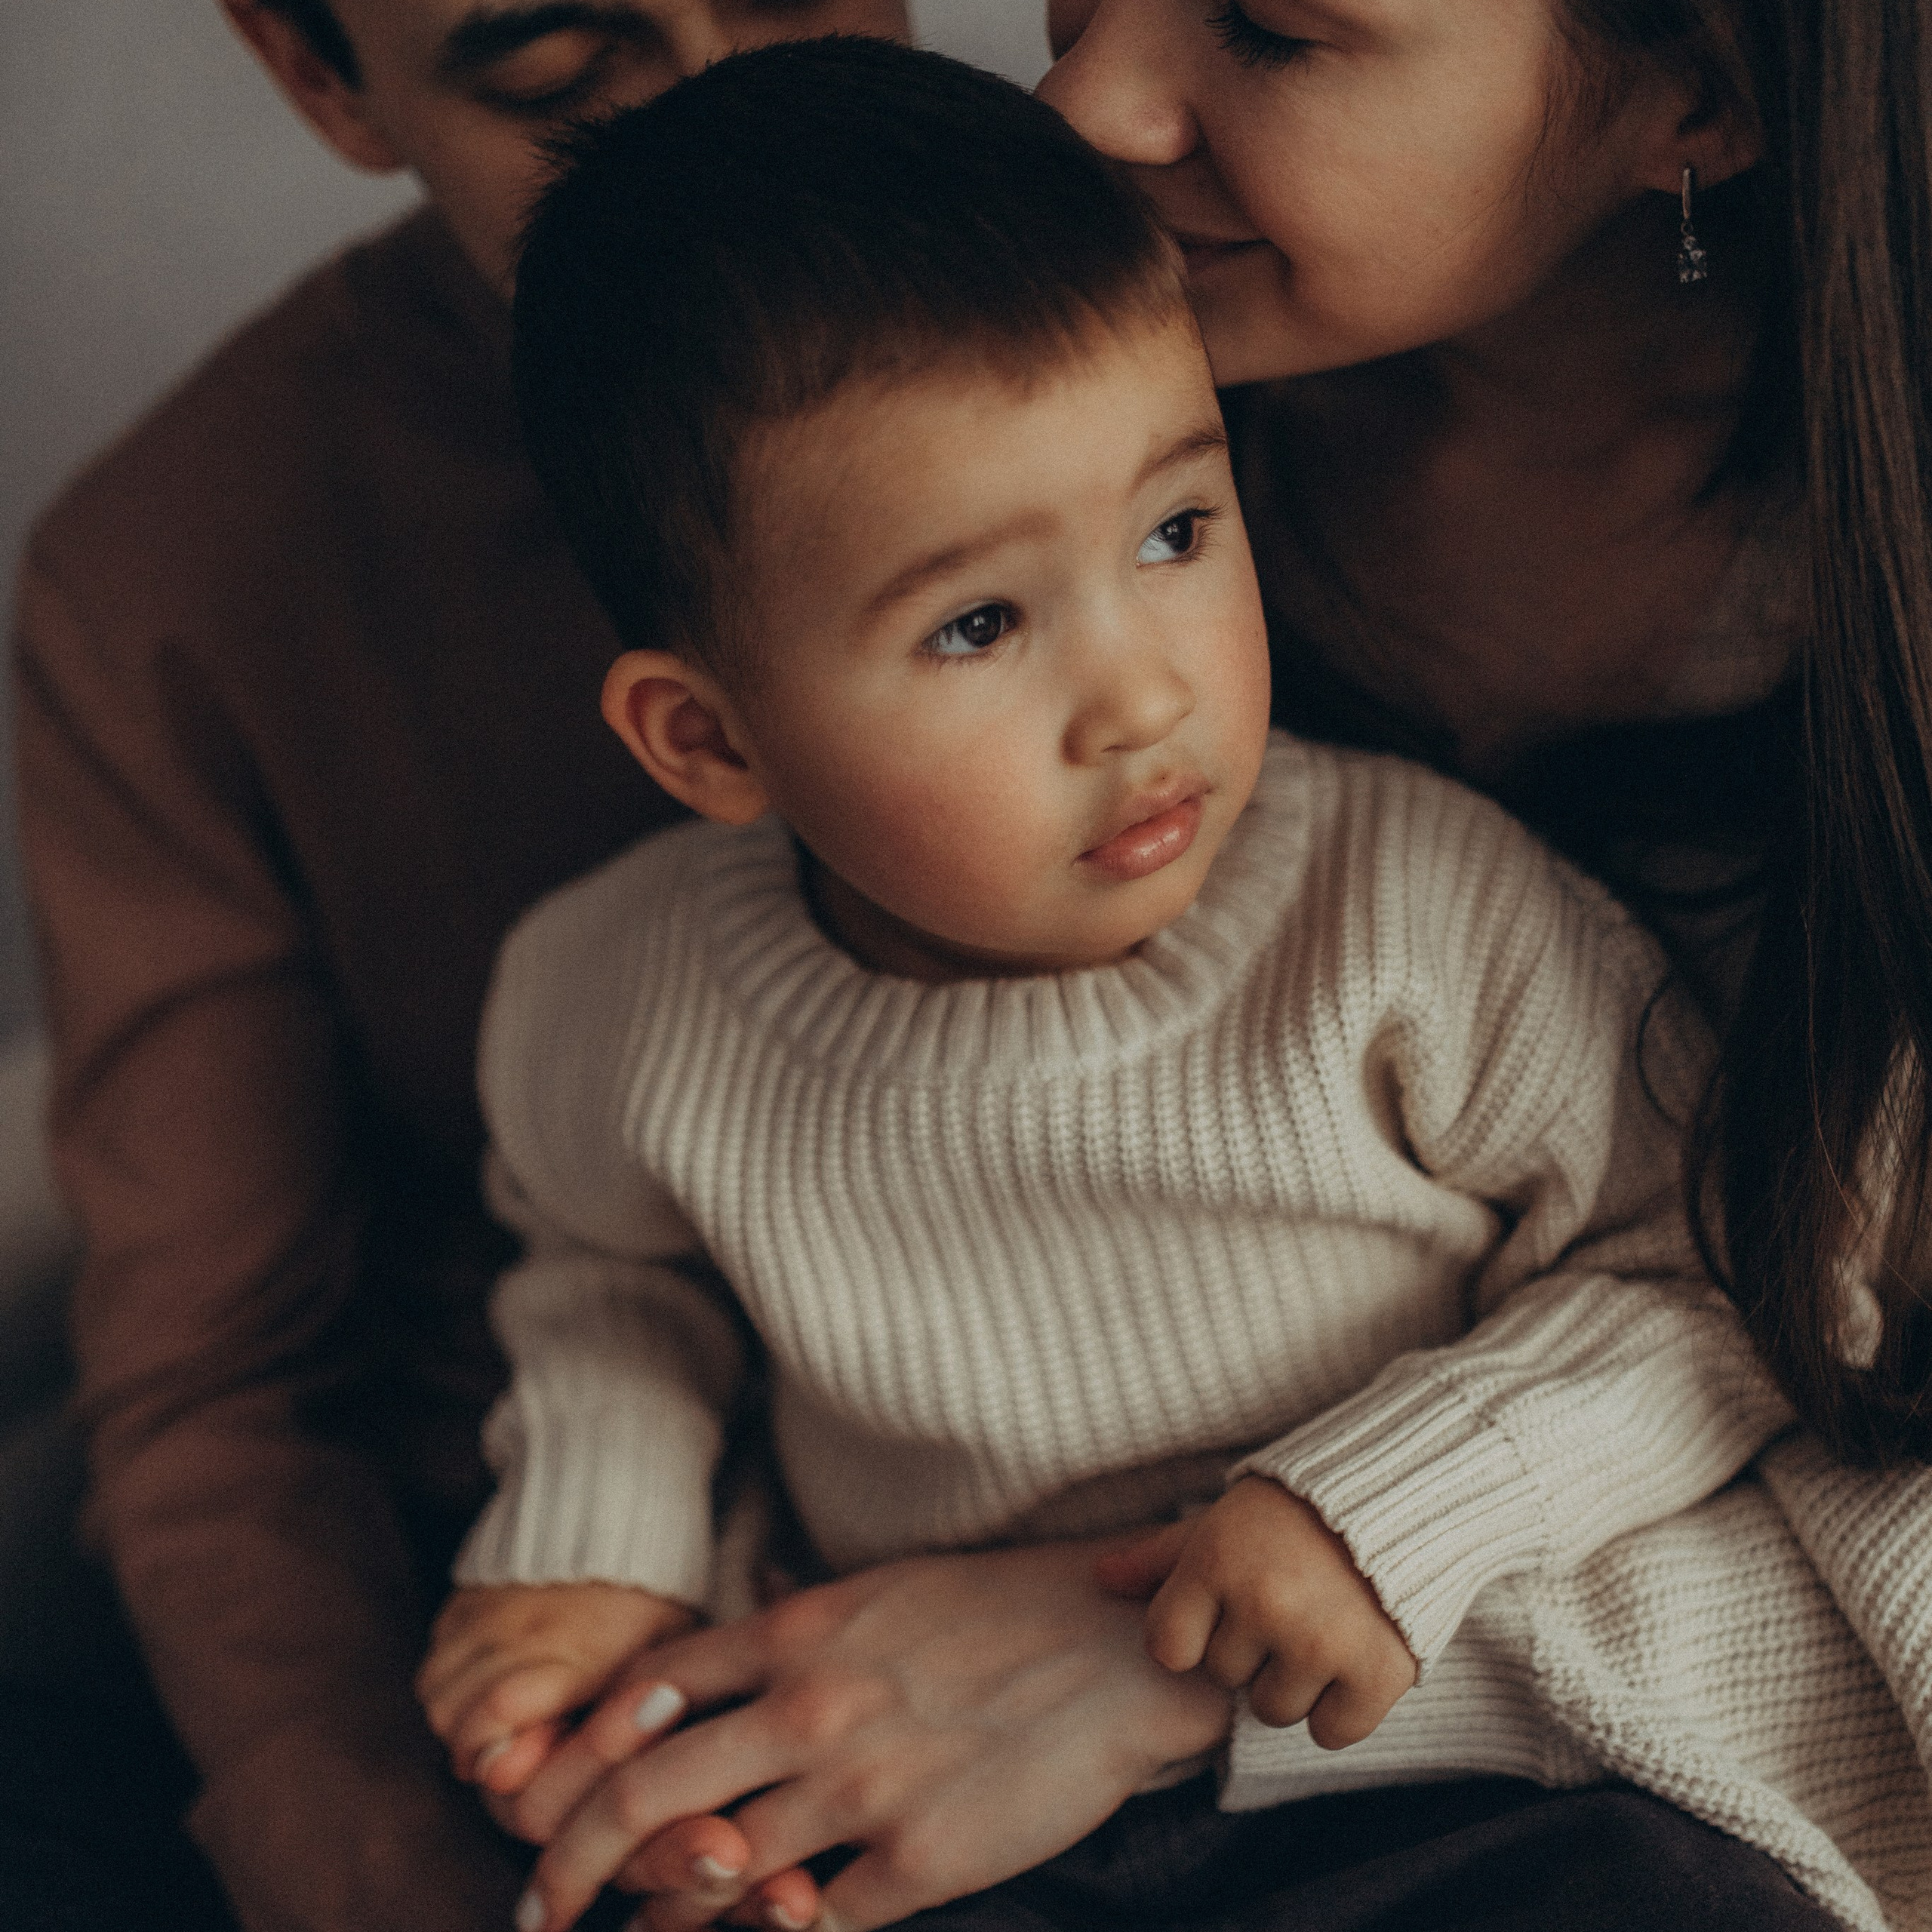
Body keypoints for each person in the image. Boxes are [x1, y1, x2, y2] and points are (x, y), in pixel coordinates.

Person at [447, 7, 1932, 1932]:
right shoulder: (613, 996)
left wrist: (1340, 1536)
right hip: (920, 1787)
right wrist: (592, 1548)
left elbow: (1708, 1282)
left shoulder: (1413, 909)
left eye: (1275, 24)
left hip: (1455, 1764)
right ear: (704, 741)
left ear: (1702, 93)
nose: (1083, 97)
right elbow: (607, 1288)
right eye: (979, 620)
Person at [7, 5, 907, 1930]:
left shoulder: (1176, 304)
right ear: (323, 77)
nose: (729, 115)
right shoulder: (166, 577)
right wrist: (381, 1855)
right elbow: (221, 1380)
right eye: (564, 76)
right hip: (486, 1564)